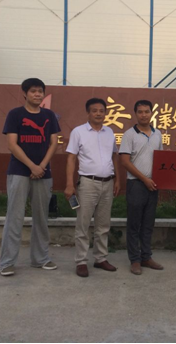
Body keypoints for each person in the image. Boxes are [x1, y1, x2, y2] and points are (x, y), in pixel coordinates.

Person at [0, 78, 60, 276]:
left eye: (40, 91)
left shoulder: (49, 115)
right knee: (14, 217)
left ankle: (40, 258)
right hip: (19, 171)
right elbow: (12, 144)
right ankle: (7, 262)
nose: (37, 94)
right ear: (25, 93)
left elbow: (53, 143)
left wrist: (41, 166)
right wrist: (32, 166)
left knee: (41, 217)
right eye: (33, 91)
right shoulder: (15, 114)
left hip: (43, 173)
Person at [65, 98, 121, 278]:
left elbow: (114, 156)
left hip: (108, 183)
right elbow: (71, 158)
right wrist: (69, 184)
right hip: (88, 183)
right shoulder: (78, 132)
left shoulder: (109, 132)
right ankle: (81, 261)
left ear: (105, 113)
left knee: (103, 224)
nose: (98, 113)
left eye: (101, 111)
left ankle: (100, 258)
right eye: (94, 110)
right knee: (83, 224)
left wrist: (117, 179)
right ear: (88, 113)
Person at [119, 100, 164, 275]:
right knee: (134, 224)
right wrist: (144, 179)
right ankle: (135, 260)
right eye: (140, 112)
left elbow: (160, 158)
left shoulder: (157, 134)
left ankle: (146, 256)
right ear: (135, 114)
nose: (144, 115)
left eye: (147, 111)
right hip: (136, 184)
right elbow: (124, 161)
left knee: (148, 223)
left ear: (152, 113)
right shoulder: (129, 134)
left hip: (153, 185)